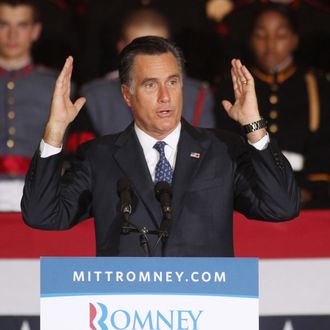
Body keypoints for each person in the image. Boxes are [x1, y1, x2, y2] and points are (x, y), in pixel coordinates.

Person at [21, 36, 299, 257]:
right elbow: (42, 214)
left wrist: (254, 125)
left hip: (205, 311)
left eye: (173, 82)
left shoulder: (221, 150)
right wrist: (55, 130)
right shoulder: (99, 157)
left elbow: (281, 207)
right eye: (151, 85)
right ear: (127, 94)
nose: (166, 97)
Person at [216, 3, 330, 208]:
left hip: (308, 195)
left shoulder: (317, 85)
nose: (270, 44)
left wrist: (307, 189)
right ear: (251, 39)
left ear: (295, 40)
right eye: (261, 35)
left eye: (280, 35)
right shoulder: (232, 86)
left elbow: (323, 146)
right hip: (249, 190)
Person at [78, 8, 216, 143]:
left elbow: (207, 153)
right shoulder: (94, 98)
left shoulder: (198, 96)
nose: (165, 97)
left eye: (159, 46)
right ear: (121, 49)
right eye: (140, 49)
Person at [0, 0, 58, 211]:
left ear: (35, 31)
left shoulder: (58, 85)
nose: (12, 35)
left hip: (39, 193)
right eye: (4, 25)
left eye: (22, 25)